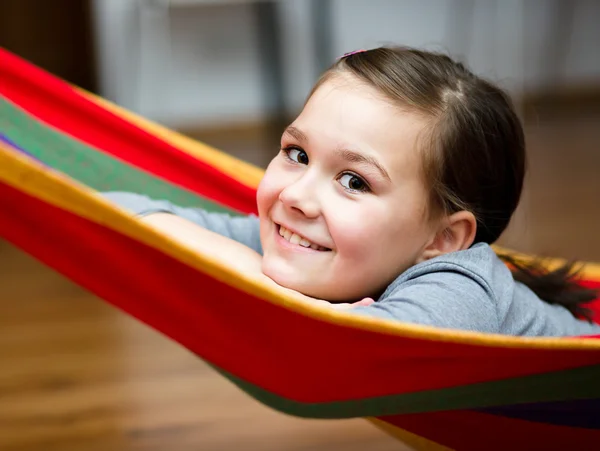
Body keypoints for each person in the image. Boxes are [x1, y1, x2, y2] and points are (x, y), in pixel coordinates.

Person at [103, 46, 600, 337]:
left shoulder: (461, 287)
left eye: (353, 181)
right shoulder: (297, 237)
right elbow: (119, 212)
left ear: (444, 240)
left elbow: (369, 343)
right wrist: (286, 287)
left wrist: (314, 311)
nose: (297, 195)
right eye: (297, 153)